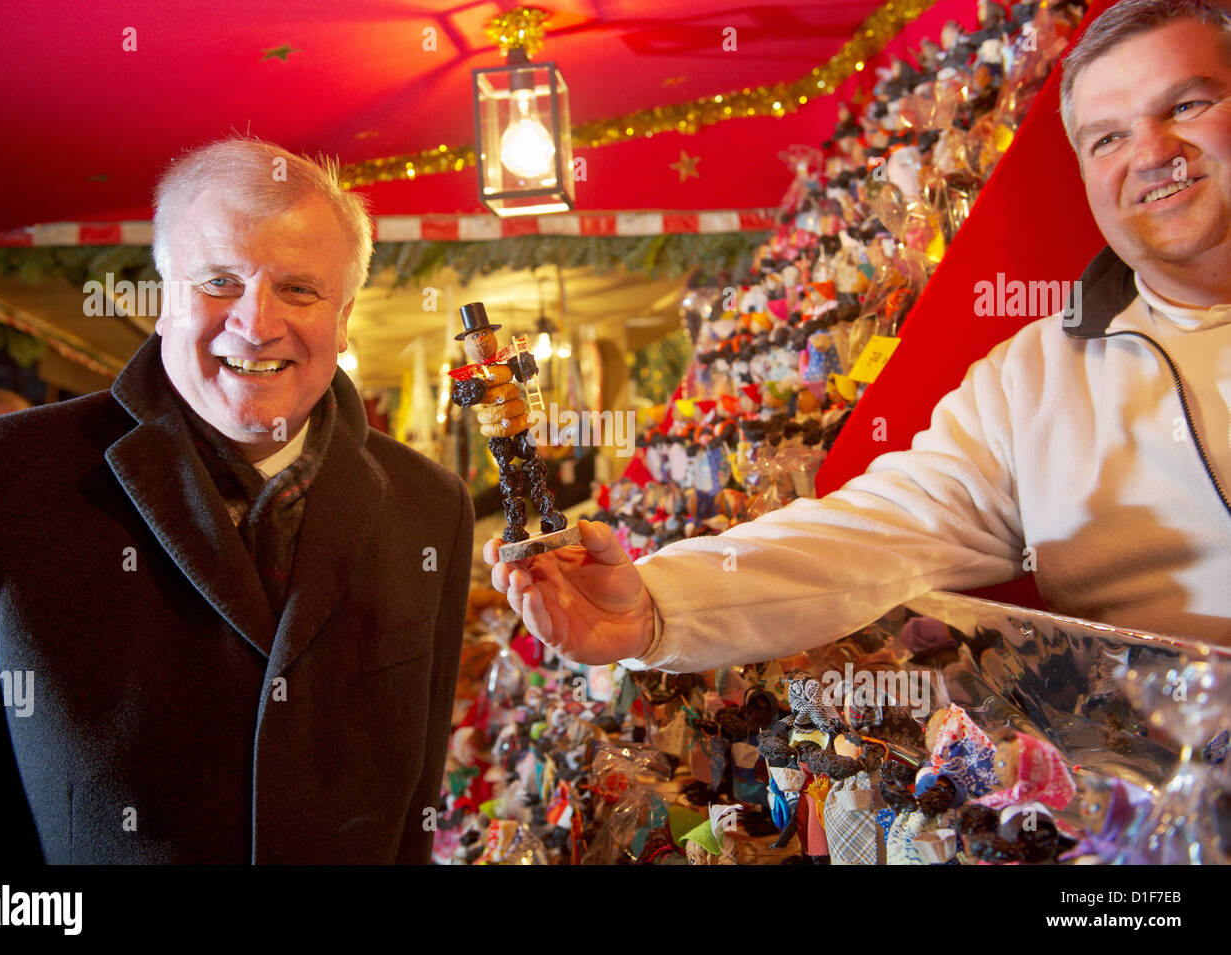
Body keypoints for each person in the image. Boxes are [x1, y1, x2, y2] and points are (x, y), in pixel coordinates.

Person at [487, 0, 1231, 671]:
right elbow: (870, 534)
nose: (1149, 152)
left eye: (1188, 104)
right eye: (1107, 138)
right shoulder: (1031, 377)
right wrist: (654, 608)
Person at [0, 137, 474, 863]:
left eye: (299, 288)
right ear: (162, 301)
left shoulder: (432, 503)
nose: (255, 322)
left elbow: (414, 816)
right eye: (219, 280)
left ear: (344, 318)